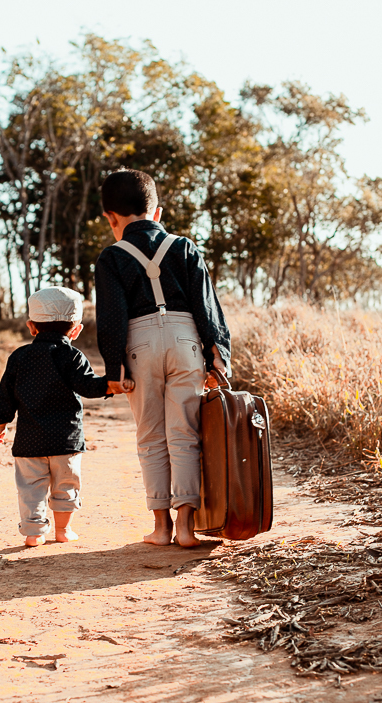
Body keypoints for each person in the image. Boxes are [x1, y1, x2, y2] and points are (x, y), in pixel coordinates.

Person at [94, 168, 231, 548]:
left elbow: (111, 318)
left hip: (140, 345)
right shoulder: (184, 247)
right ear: (158, 213)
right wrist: (217, 359)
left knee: (150, 436)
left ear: (111, 218)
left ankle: (161, 527)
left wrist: (115, 369)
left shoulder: (111, 257)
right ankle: (187, 527)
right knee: (185, 433)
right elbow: (208, 308)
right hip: (186, 339)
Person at [0, 287, 128, 547]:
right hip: (66, 440)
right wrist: (110, 385)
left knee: (30, 488)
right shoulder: (72, 355)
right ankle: (63, 530)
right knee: (65, 486)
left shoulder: (19, 357)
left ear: (31, 327)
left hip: (29, 442)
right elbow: (87, 385)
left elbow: (5, 395)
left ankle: (34, 533)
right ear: (76, 330)